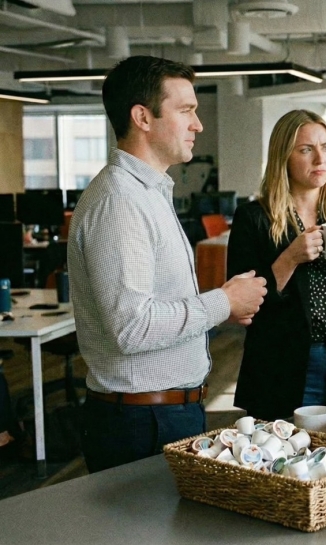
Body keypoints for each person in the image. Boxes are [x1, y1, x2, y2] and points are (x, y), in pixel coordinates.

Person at [67, 56, 267, 473]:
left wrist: (223, 306)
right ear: (142, 117)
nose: (198, 125)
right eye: (186, 110)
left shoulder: (147, 192)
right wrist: (223, 302)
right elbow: (132, 326)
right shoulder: (120, 202)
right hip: (142, 422)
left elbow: (152, 307)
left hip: (160, 414)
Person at [227, 109, 326, 421]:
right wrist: (289, 258)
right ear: (283, 157)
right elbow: (240, 307)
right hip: (282, 364)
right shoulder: (253, 218)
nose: (320, 159)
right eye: (306, 150)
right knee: (286, 448)